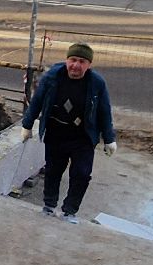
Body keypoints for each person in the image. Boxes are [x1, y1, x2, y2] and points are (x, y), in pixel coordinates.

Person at [18, 43, 116, 223]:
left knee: (82, 174)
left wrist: (109, 139)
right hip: (56, 132)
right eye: (73, 60)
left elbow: (104, 111)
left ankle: (70, 211)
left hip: (82, 136)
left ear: (89, 65)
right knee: (53, 170)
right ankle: (49, 205)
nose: (76, 65)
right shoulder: (52, 77)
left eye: (82, 61)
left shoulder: (96, 83)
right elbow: (37, 101)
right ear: (66, 60)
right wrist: (27, 125)